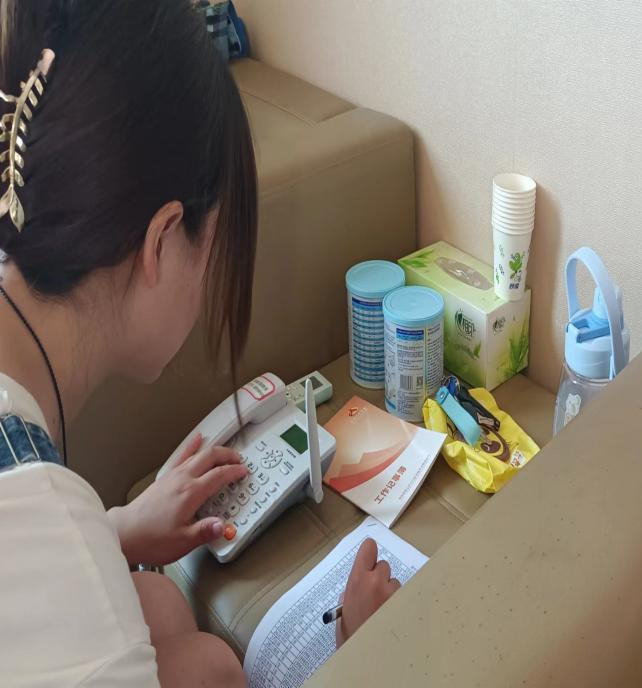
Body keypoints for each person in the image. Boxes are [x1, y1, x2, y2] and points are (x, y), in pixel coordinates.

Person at [0, 1, 398, 686]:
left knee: (160, 604)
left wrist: (114, 529)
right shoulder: (47, 534)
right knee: (210, 665)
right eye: (216, 249)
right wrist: (359, 659)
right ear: (161, 240)